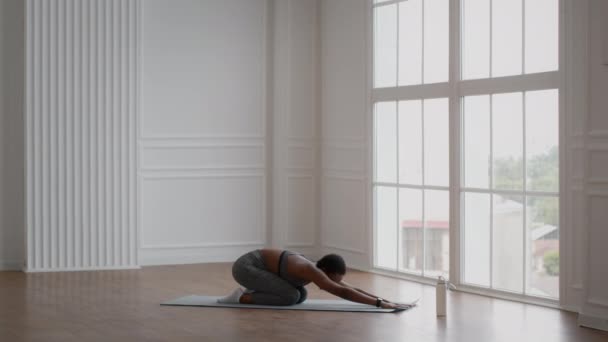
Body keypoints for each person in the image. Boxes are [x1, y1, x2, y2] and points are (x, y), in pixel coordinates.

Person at [217, 248, 413, 310]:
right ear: (326, 271)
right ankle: (241, 297)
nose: (335, 282)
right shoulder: (309, 269)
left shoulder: (318, 269)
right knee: (290, 296)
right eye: (334, 278)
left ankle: (252, 293)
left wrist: (388, 301)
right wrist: (380, 304)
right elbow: (342, 291)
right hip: (245, 268)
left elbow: (349, 287)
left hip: (257, 268)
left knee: (300, 294)